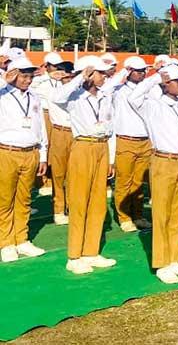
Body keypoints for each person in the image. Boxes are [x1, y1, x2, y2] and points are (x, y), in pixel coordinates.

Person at [129, 63, 178, 284]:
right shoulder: (153, 105)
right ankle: (161, 263)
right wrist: (155, 78)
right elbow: (133, 98)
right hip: (163, 161)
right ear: (166, 84)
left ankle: (175, 259)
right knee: (161, 214)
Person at [52, 55, 117, 275]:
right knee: (79, 200)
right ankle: (74, 256)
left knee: (98, 201)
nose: (104, 77)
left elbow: (111, 126)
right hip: (83, 145)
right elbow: (56, 97)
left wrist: (111, 159)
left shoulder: (106, 96)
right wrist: (80, 78)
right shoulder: (74, 95)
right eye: (100, 73)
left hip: (102, 146)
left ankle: (91, 251)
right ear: (88, 73)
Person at [0, 57, 48, 263]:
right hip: (7, 152)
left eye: (30, 76)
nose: (28, 80)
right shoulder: (2, 95)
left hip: (31, 152)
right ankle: (6, 242)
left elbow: (41, 127)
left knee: (24, 198)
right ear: (13, 75)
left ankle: (22, 239)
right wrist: (5, 80)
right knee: (5, 199)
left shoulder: (34, 97)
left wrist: (43, 155)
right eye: (23, 76)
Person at [110, 56, 153, 233]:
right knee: (124, 181)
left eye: (144, 70)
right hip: (125, 140)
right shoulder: (117, 90)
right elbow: (106, 87)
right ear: (128, 71)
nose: (142, 73)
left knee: (139, 182)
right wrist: (122, 72)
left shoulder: (149, 90)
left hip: (145, 140)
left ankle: (138, 215)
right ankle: (124, 217)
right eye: (137, 71)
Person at [30, 52, 65, 197]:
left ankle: (51, 178)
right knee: (44, 144)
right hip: (44, 114)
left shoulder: (61, 80)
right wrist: (47, 76)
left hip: (56, 115)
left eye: (58, 66)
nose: (57, 69)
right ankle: (41, 180)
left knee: (54, 148)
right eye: (54, 66)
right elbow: (31, 85)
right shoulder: (39, 80)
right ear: (47, 66)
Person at [47, 61, 75, 225]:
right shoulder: (52, 90)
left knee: (73, 174)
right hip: (59, 132)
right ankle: (58, 209)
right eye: (64, 76)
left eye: (70, 76)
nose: (67, 79)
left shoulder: (78, 91)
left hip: (76, 133)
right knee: (58, 174)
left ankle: (72, 206)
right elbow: (62, 97)